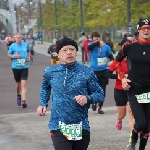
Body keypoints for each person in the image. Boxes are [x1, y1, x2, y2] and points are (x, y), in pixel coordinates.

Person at [37, 36, 104, 150]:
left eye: (72, 49)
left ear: (76, 52)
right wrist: (43, 103)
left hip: (81, 125)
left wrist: (87, 98)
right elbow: (45, 86)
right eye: (65, 50)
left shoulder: (86, 71)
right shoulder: (50, 71)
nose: (69, 52)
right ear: (58, 54)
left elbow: (100, 93)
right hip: (58, 124)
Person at [115, 18, 150, 150]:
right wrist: (123, 78)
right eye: (143, 28)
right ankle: (133, 139)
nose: (146, 31)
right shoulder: (129, 46)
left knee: (147, 127)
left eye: (149, 28)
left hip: (149, 90)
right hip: (134, 89)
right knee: (140, 122)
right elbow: (117, 62)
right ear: (139, 30)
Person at [105, 58, 135, 148]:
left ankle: (132, 138)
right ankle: (119, 119)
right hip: (119, 90)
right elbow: (107, 74)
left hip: (132, 90)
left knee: (132, 112)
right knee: (122, 114)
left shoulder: (135, 59)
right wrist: (117, 76)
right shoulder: (117, 61)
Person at [88, 32, 114, 114]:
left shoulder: (106, 47)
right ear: (92, 40)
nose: (96, 40)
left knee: (103, 90)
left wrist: (111, 63)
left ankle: (100, 107)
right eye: (94, 39)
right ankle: (94, 102)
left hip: (104, 71)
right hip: (94, 71)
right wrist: (96, 43)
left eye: (97, 39)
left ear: (100, 38)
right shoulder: (92, 46)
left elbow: (111, 56)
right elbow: (88, 47)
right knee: (95, 88)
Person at [7, 33, 31, 108]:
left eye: (19, 37)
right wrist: (14, 56)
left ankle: (24, 101)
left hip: (24, 66)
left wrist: (29, 57)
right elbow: (8, 55)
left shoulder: (25, 45)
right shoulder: (12, 46)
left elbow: (29, 51)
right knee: (18, 84)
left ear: (22, 38)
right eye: (17, 37)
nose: (18, 38)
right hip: (16, 67)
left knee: (23, 84)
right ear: (15, 38)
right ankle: (18, 95)